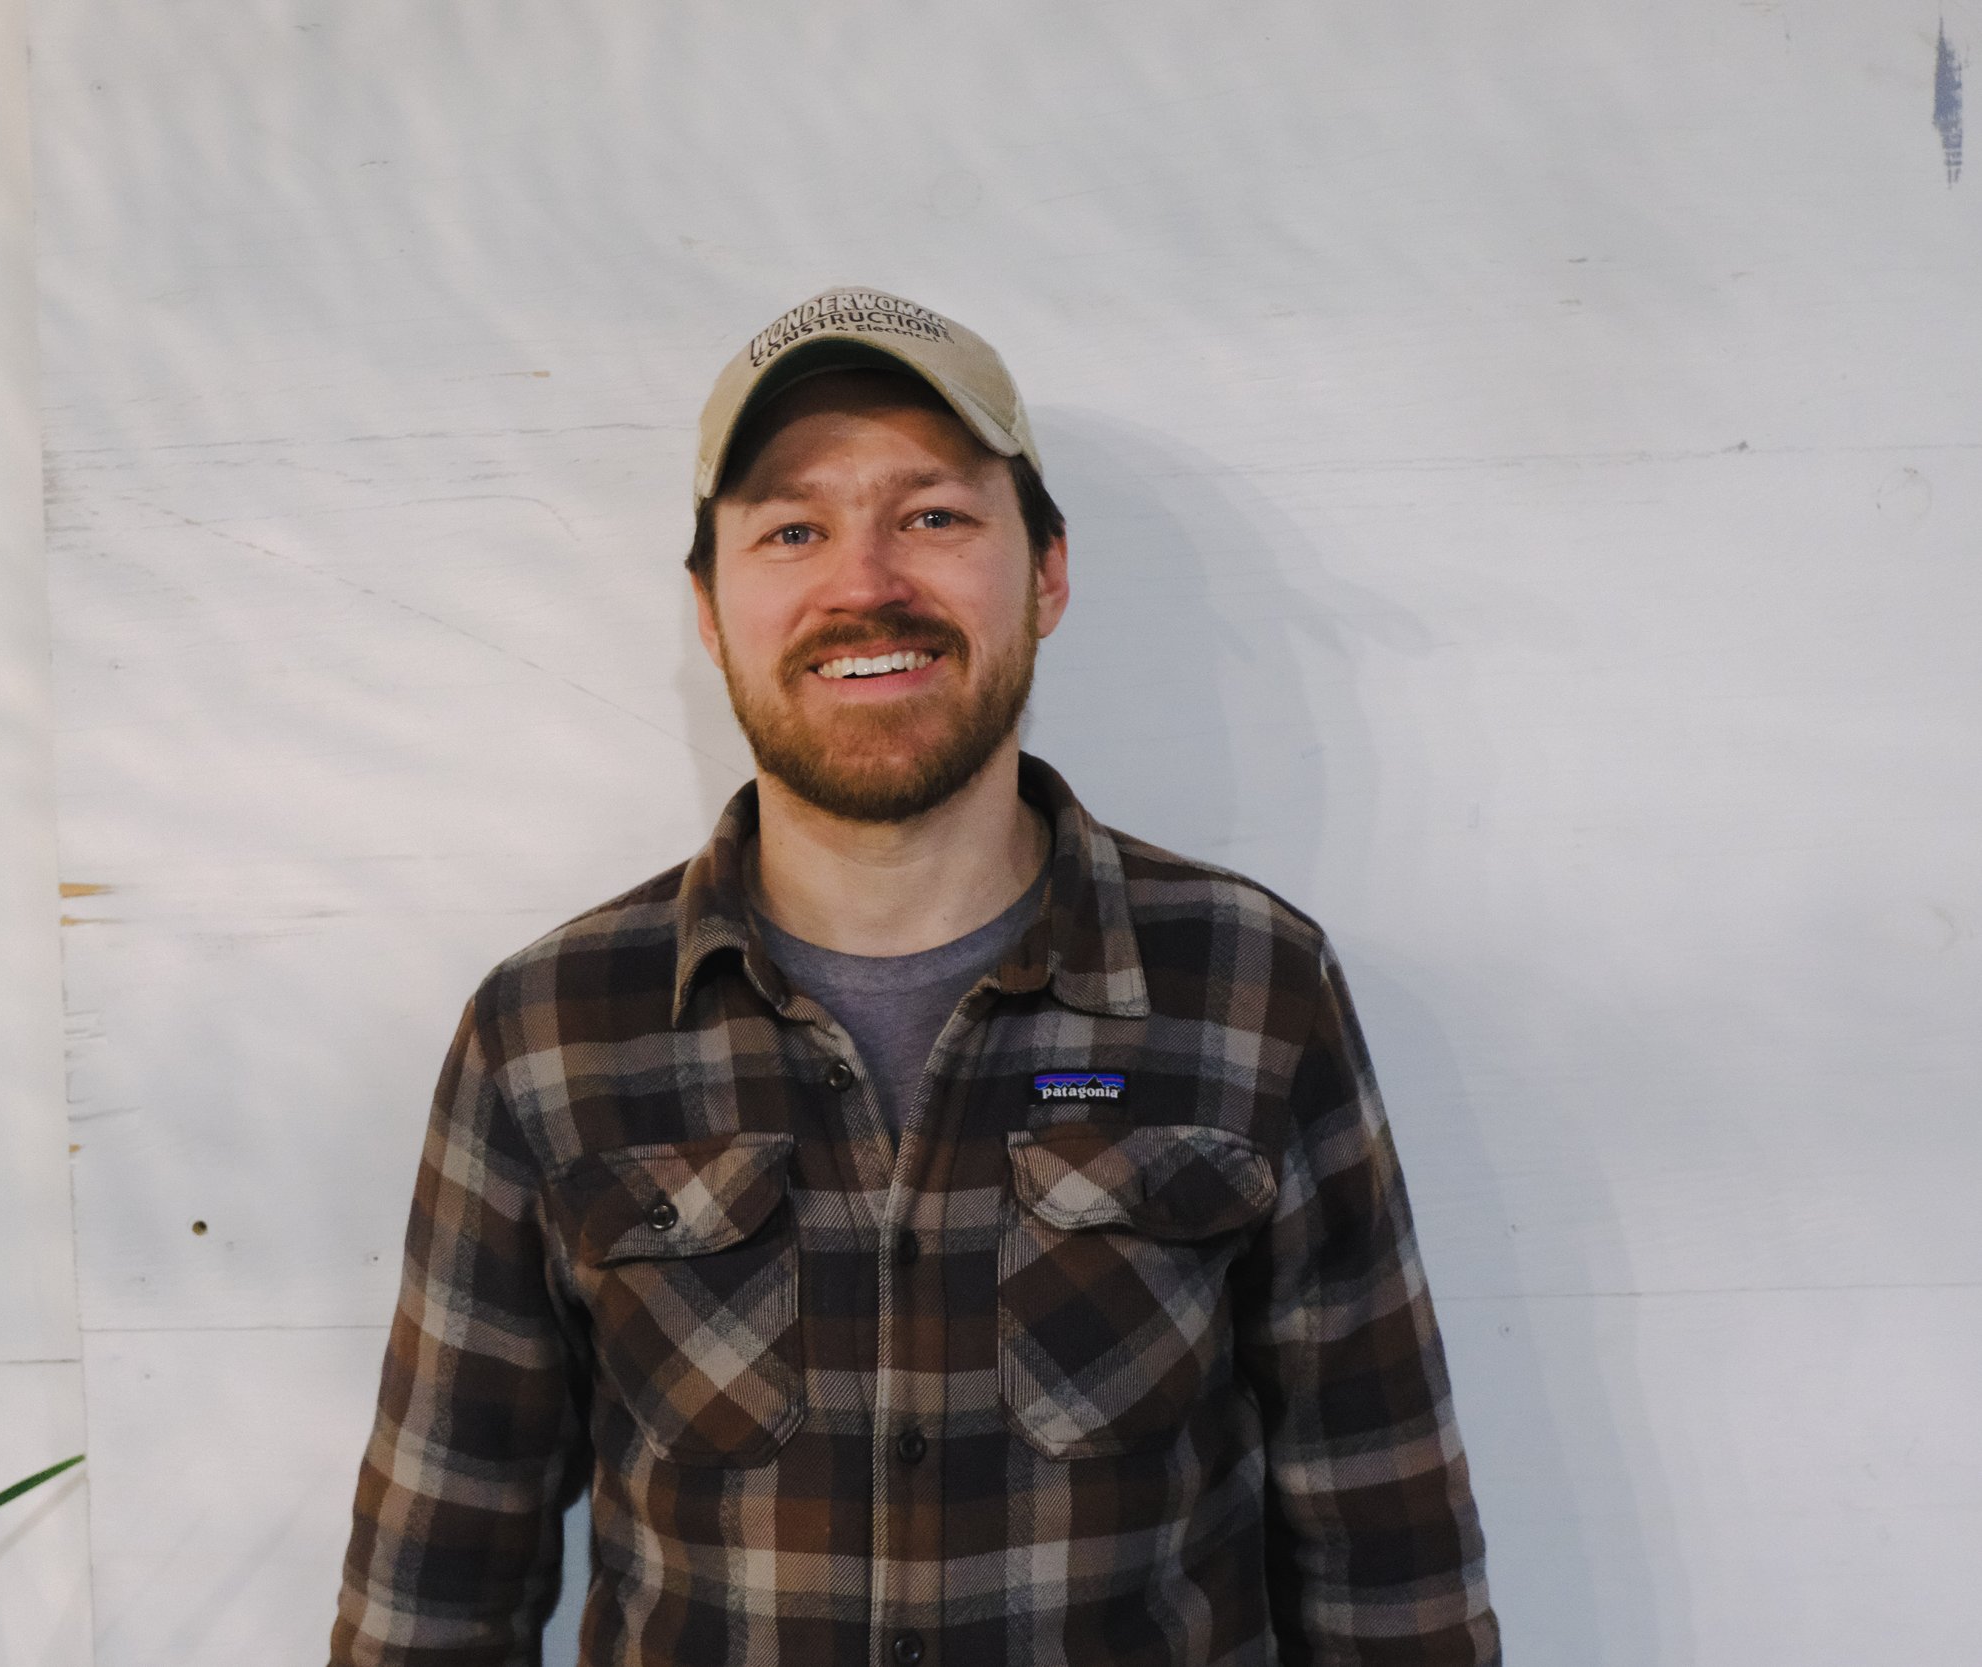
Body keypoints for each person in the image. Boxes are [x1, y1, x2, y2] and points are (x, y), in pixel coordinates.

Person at [332, 287, 1500, 1666]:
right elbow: (436, 1594)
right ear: (710, 610)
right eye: (791, 529)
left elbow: (1389, 1564)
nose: (865, 582)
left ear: (1049, 572)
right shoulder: (547, 1036)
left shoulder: (1250, 987)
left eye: (934, 515)